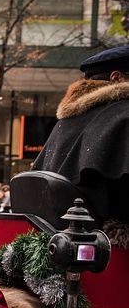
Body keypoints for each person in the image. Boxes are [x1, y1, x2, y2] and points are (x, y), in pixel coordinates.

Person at [33, 43, 129, 221]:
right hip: (110, 236)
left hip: (59, 233)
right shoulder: (125, 114)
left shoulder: (66, 120)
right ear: (117, 78)